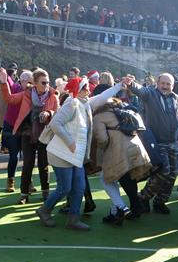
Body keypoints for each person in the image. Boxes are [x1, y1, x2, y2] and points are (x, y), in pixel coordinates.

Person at [35, 76, 124, 231]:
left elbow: (102, 97)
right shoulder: (72, 103)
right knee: (65, 188)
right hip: (61, 154)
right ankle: (44, 210)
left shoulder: (85, 103)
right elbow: (55, 123)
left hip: (75, 155)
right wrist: (70, 141)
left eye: (88, 87)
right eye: (85, 87)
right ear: (78, 90)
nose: (88, 90)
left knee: (79, 187)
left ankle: (73, 219)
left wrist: (121, 85)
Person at [126, 73, 178, 215]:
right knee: (164, 171)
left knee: (173, 174)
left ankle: (160, 202)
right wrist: (131, 84)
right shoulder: (150, 94)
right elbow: (139, 90)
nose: (165, 86)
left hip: (173, 143)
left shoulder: (176, 98)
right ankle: (143, 197)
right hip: (156, 143)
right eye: (163, 83)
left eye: (168, 84)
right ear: (157, 83)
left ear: (173, 86)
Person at [0, 67, 59, 203]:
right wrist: (3, 82)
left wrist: (49, 113)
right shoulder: (27, 93)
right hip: (27, 133)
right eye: (43, 82)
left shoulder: (53, 96)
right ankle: (24, 195)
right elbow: (9, 99)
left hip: (45, 134)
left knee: (43, 165)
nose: (47, 85)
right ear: (35, 83)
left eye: (48, 82)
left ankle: (45, 193)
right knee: (27, 164)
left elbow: (57, 112)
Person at [92, 97, 152, 225]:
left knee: (106, 179)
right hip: (135, 147)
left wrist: (102, 150)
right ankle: (128, 209)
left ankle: (121, 208)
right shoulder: (122, 109)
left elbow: (102, 139)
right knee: (128, 178)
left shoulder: (99, 116)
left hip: (118, 151)